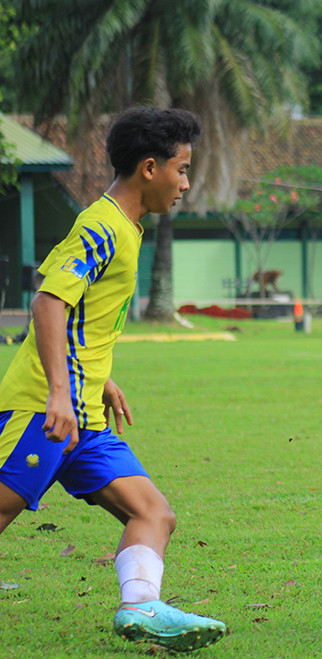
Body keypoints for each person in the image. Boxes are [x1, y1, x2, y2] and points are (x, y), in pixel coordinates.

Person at [0, 107, 226, 651]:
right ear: (150, 168)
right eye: (182, 169)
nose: (185, 184)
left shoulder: (124, 227)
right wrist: (60, 389)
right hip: (46, 409)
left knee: (153, 512)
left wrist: (99, 378)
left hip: (84, 411)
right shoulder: (101, 225)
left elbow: (83, 315)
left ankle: (140, 607)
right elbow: (50, 302)